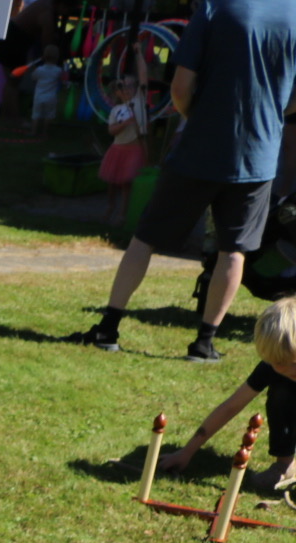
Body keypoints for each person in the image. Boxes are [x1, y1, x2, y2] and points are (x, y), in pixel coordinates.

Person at [69, 0, 296, 363]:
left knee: (146, 237)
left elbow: (180, 86)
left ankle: (108, 328)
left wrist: (198, 118)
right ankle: (204, 344)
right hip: (258, 155)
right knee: (233, 250)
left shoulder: (215, 8)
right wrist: (268, 116)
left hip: (200, 150)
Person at [159, 296, 296, 493]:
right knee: (281, 392)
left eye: (293, 364)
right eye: (277, 364)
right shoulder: (273, 369)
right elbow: (231, 406)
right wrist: (187, 452)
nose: (286, 370)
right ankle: (285, 464)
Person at [99, 73, 149, 229]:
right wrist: (126, 123)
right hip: (117, 149)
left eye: (129, 85)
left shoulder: (139, 102)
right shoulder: (116, 110)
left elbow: (143, 75)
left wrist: (138, 52)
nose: (126, 89)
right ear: (117, 92)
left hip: (133, 149)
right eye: (122, 86)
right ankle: (110, 206)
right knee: (112, 181)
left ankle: (122, 214)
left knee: (127, 183)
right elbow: (111, 130)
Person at [24, 43, 63, 137]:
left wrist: (34, 69)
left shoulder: (40, 69)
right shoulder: (58, 70)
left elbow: (33, 78)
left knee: (36, 114)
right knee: (48, 115)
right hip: (51, 97)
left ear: (44, 56)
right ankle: (44, 132)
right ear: (57, 57)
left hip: (39, 96)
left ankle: (33, 132)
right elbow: (61, 80)